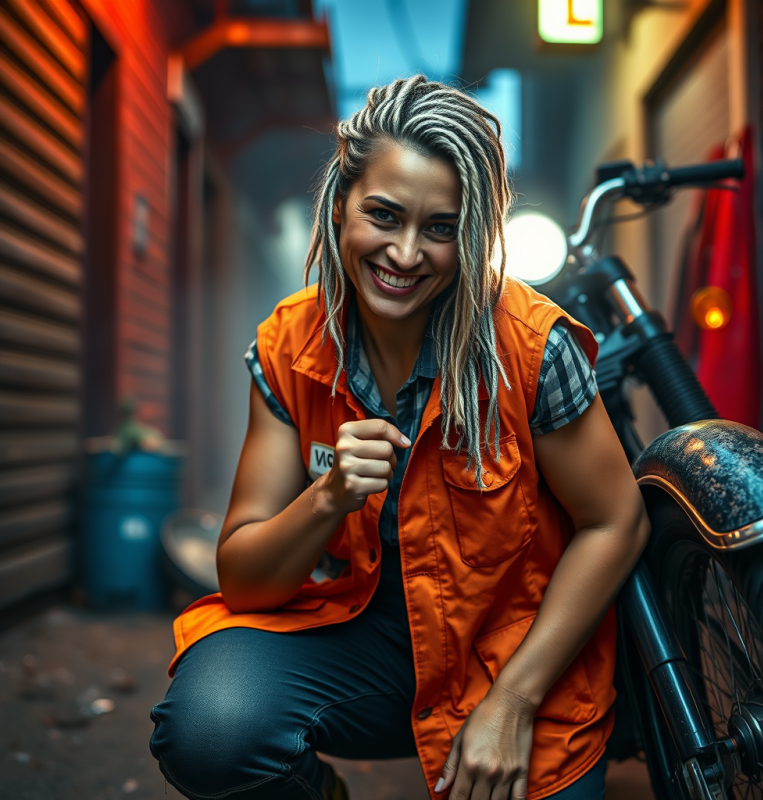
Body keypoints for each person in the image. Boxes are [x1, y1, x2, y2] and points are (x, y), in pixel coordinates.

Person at [149, 76, 649, 800]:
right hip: (366, 641)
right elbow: (245, 577)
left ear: (470, 233)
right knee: (211, 728)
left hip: (515, 648)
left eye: (440, 228)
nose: (407, 254)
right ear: (340, 204)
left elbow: (616, 520)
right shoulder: (290, 344)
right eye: (383, 215)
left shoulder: (530, 346)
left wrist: (511, 703)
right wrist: (325, 498)